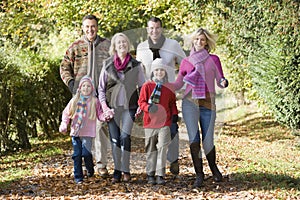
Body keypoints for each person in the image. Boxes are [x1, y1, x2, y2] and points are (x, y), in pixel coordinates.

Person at [172, 28, 229, 188]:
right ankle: (199, 174)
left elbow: (220, 79)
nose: (199, 42)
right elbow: (178, 84)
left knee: (208, 140)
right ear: (192, 41)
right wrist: (163, 85)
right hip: (190, 103)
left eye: (202, 40)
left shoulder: (214, 59)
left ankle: (213, 168)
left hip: (208, 104)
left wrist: (224, 82)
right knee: (194, 140)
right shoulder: (186, 62)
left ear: (206, 42)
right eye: (196, 39)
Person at [60, 14, 111, 177]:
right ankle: (82, 162)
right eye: (87, 27)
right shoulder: (75, 46)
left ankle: (101, 164)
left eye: (93, 26)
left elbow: (115, 67)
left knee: (101, 127)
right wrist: (71, 84)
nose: (90, 29)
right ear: (83, 28)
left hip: (101, 95)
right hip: (80, 96)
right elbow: (64, 67)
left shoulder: (107, 46)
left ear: (97, 27)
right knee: (80, 128)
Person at [136, 16, 186, 176]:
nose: (154, 31)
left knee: (171, 127)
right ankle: (155, 169)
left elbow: (185, 65)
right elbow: (140, 72)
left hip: (168, 94)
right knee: (152, 135)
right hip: (150, 96)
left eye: (157, 28)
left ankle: (173, 160)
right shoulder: (141, 48)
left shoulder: (173, 45)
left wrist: (180, 86)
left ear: (161, 29)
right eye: (151, 28)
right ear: (147, 29)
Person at [98, 32, 145, 183]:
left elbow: (143, 87)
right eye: (119, 43)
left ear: (128, 45)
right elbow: (101, 89)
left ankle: (126, 170)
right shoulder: (107, 65)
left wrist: (141, 104)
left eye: (124, 42)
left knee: (125, 137)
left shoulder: (136, 65)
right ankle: (117, 171)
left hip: (129, 107)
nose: (122, 45)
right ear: (114, 46)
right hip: (112, 108)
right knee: (115, 140)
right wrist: (105, 108)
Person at [138, 58, 178, 185]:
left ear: (165, 72)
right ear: (152, 72)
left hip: (164, 122)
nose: (159, 72)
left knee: (162, 147)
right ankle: (150, 173)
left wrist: (175, 115)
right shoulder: (147, 86)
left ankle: (160, 174)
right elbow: (141, 102)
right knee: (150, 148)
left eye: (162, 70)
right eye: (156, 70)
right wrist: (148, 107)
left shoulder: (169, 87)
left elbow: (172, 103)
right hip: (150, 122)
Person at [59, 76, 106, 184]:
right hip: (76, 132)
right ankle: (78, 177)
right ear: (80, 88)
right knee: (77, 155)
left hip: (87, 133)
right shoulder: (75, 100)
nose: (86, 88)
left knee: (86, 154)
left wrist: (106, 116)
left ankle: (90, 169)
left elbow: (100, 115)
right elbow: (66, 113)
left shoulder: (95, 101)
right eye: (84, 85)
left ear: (92, 88)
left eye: (88, 86)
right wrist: (64, 124)